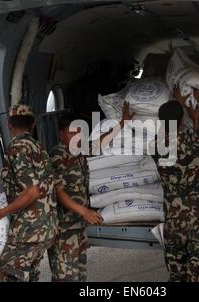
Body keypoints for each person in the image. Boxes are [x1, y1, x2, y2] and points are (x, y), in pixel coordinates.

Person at [48, 103, 134, 282]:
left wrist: (123, 123)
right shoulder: (58, 154)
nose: (77, 136)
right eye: (72, 132)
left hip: (78, 226)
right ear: (62, 134)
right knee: (65, 276)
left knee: (80, 274)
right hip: (64, 227)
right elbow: (59, 191)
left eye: (79, 131)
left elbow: (101, 141)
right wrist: (84, 211)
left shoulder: (78, 151)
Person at [0, 104, 58, 282]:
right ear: (33, 125)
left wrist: (0, 213)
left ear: (9, 124)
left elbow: (31, 192)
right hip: (47, 228)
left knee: (10, 276)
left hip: (28, 231)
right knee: (29, 274)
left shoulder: (17, 149)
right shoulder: (38, 147)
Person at [155, 85, 199, 282]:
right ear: (181, 118)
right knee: (198, 269)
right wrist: (195, 113)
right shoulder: (195, 139)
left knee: (177, 272)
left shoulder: (155, 145)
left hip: (174, 218)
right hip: (197, 217)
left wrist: (178, 107)